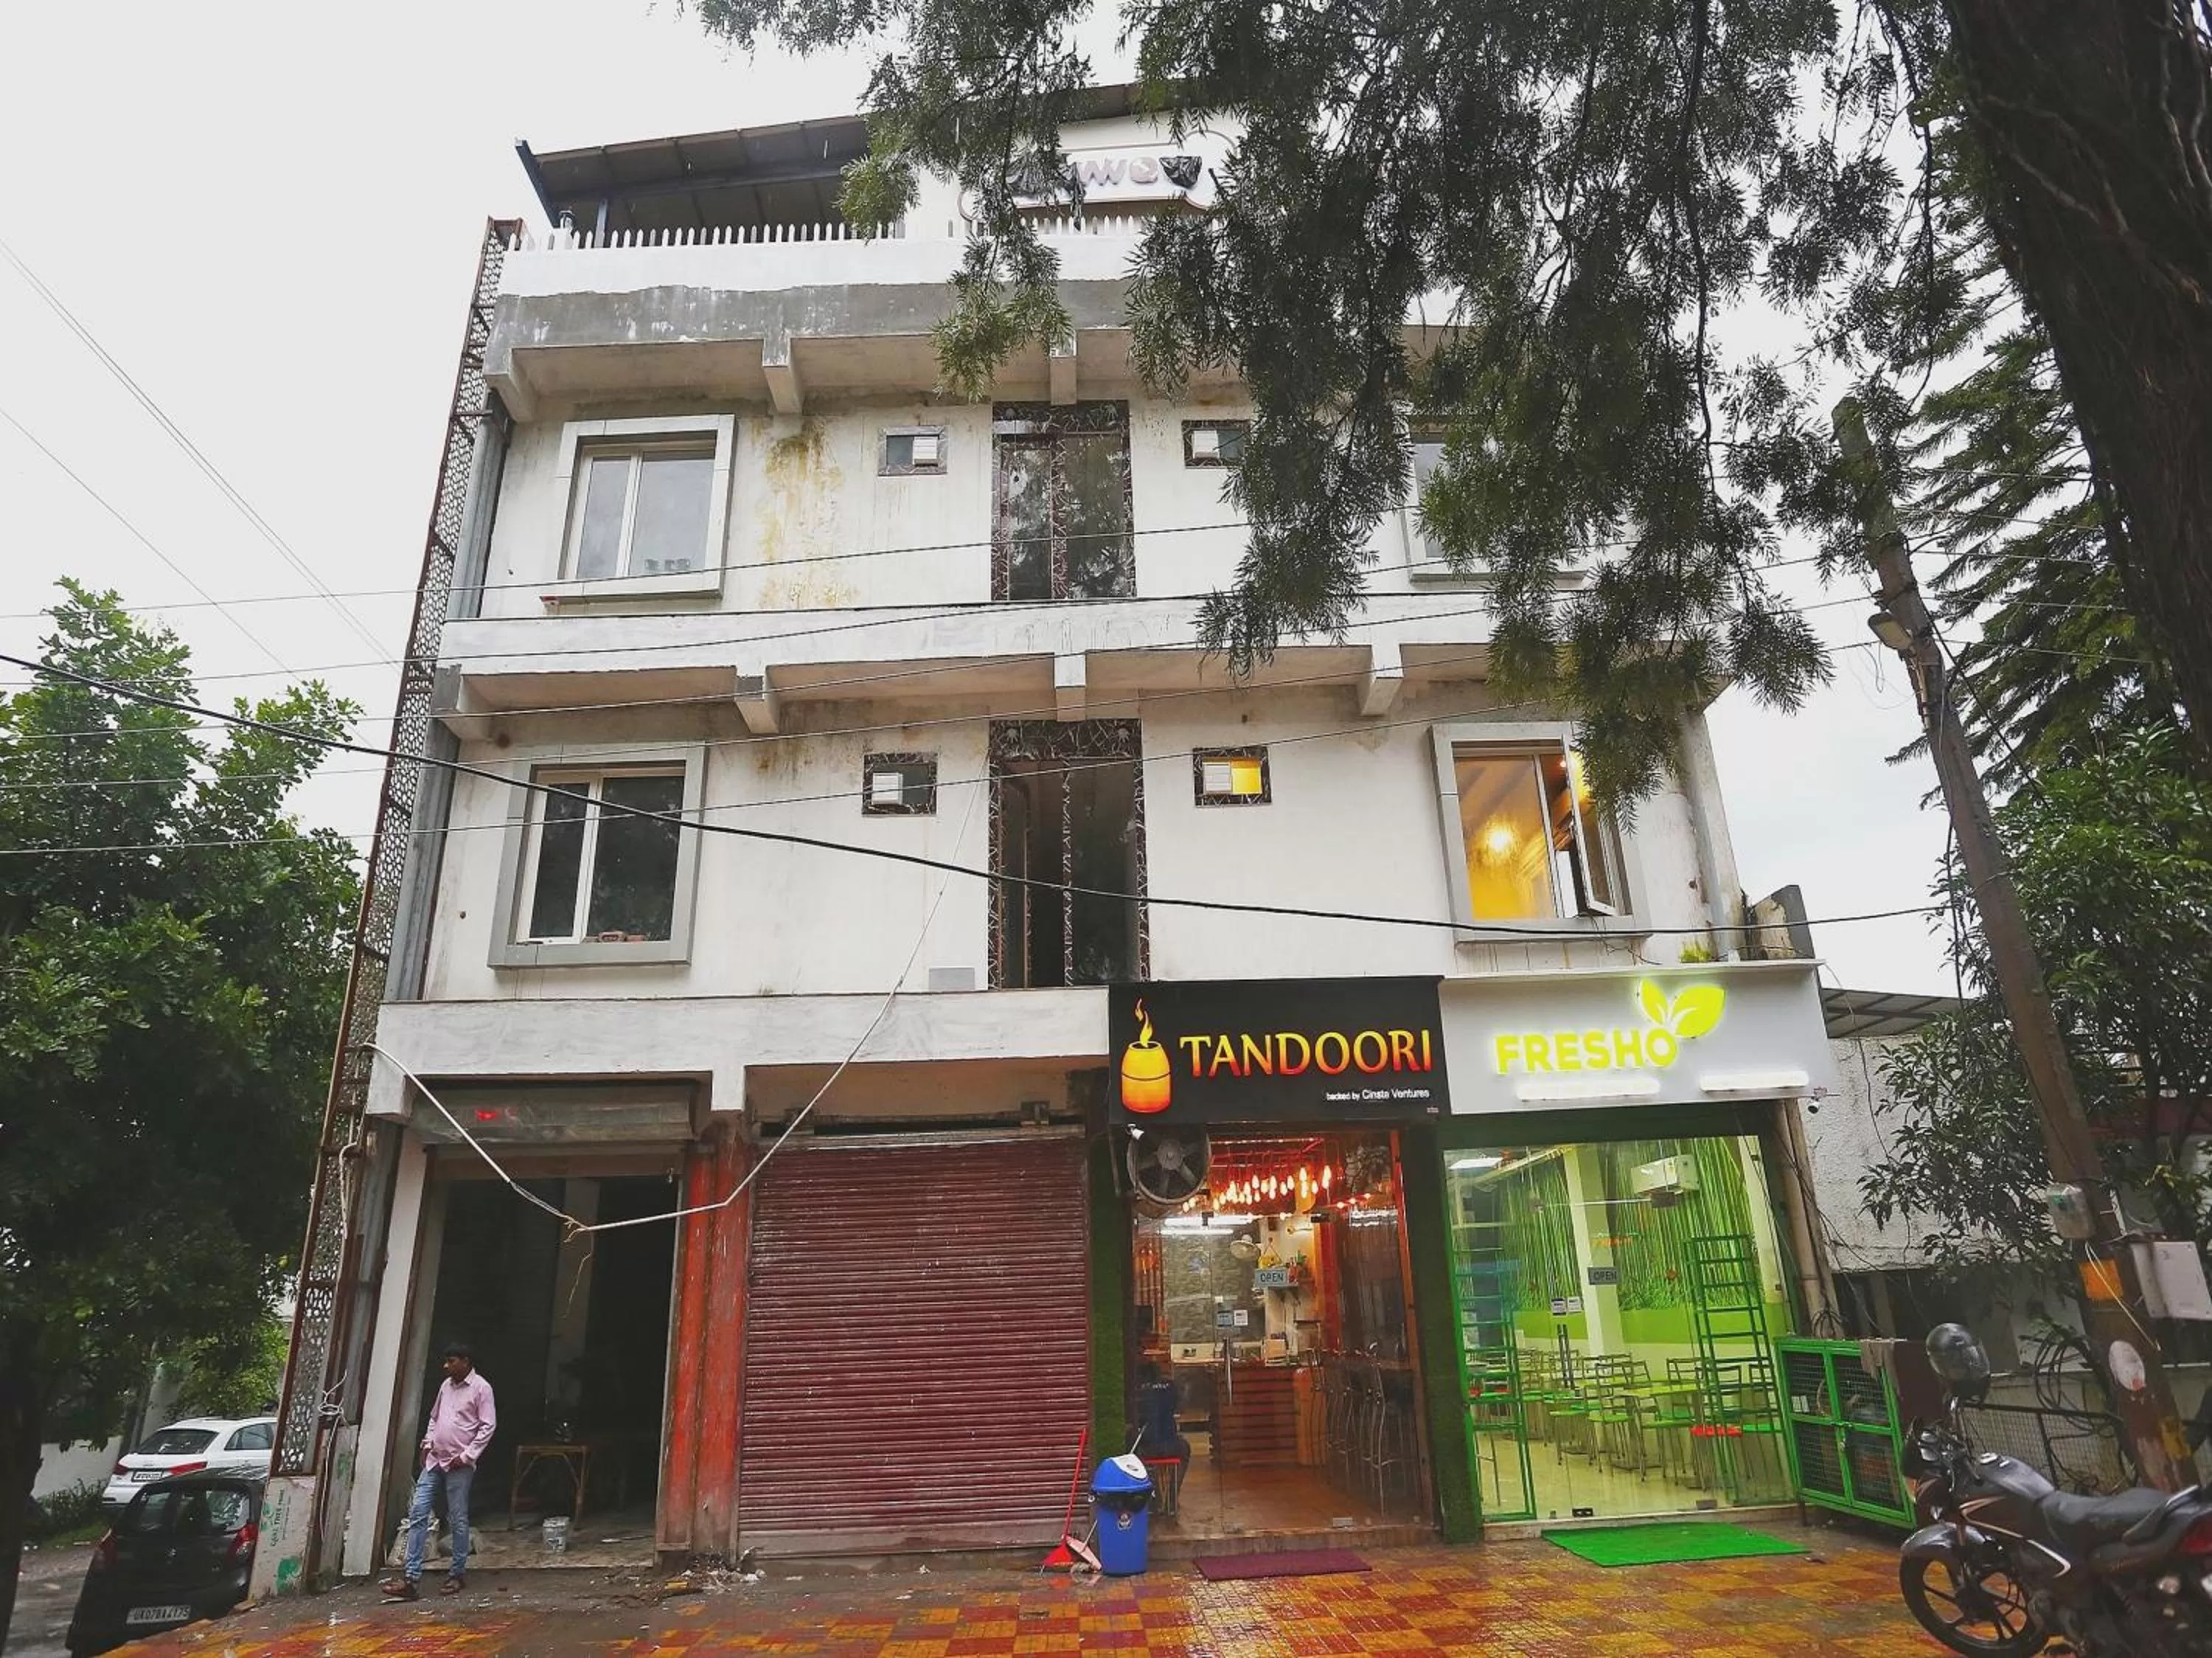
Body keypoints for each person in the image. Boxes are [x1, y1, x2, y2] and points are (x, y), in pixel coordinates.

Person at [380, 1343, 496, 1600]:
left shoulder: (481, 1388)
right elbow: (434, 1418)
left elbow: (488, 1426)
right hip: (435, 1460)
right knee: (418, 1513)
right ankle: (410, 1579)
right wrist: (427, 1442)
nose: (446, 1366)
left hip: (459, 1464)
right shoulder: (446, 1387)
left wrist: (467, 1456)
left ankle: (456, 1574)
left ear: (466, 1361)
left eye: (451, 1361)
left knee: (457, 1517)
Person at [1134, 1362, 1190, 1506]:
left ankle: (1154, 1497)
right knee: (1185, 1448)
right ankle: (1172, 1498)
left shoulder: (1139, 1391)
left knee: (1135, 1456)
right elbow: (1181, 1408)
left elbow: (1137, 1419)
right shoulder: (1170, 1387)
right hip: (1172, 1446)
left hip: (1149, 1450)